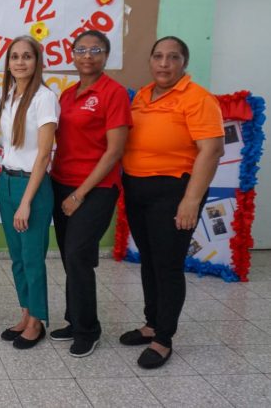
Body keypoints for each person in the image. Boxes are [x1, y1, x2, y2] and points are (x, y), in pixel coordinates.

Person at [120, 36, 224, 369]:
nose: (164, 63)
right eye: (159, 57)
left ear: (184, 63)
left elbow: (212, 150)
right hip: (138, 189)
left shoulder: (198, 98)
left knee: (167, 265)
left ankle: (164, 339)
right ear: (151, 61)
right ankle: (151, 323)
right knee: (149, 260)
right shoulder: (144, 96)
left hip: (175, 192)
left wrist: (191, 200)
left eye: (173, 57)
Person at [49, 29, 132, 358]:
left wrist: (80, 193)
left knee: (78, 256)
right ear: (72, 55)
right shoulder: (68, 95)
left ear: (106, 55)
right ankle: (74, 319)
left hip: (96, 188)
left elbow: (114, 151)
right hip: (61, 182)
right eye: (81, 50)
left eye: (95, 49)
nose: (87, 55)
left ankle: (88, 329)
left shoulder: (114, 93)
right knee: (72, 259)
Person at [0, 36, 59, 349]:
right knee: (17, 257)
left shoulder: (44, 98)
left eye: (27, 57)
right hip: (6, 182)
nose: (20, 62)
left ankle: (37, 321)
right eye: (15, 57)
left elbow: (44, 154)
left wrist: (26, 202)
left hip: (31, 186)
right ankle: (25, 313)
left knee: (33, 258)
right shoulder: (6, 96)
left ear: (37, 62)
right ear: (8, 63)